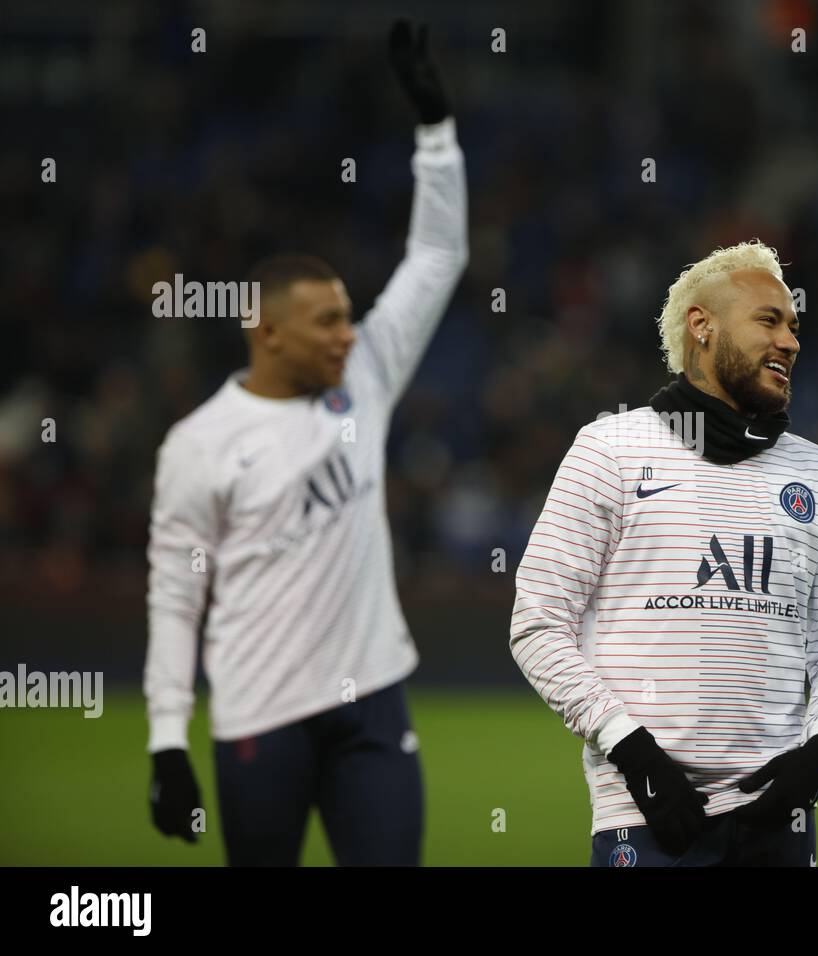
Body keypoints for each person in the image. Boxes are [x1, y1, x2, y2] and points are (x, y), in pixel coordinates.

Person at [143, 20, 467, 865]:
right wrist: (168, 741)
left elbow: (436, 256)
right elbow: (177, 597)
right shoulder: (200, 444)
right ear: (268, 332)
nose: (348, 335)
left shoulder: (364, 378)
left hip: (373, 705)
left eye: (347, 316)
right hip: (261, 715)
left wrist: (435, 134)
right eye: (326, 321)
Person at [510, 240, 818, 867]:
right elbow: (538, 624)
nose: (789, 341)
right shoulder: (610, 449)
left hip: (778, 813)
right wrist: (634, 754)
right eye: (767, 320)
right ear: (701, 326)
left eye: (793, 326)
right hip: (646, 812)